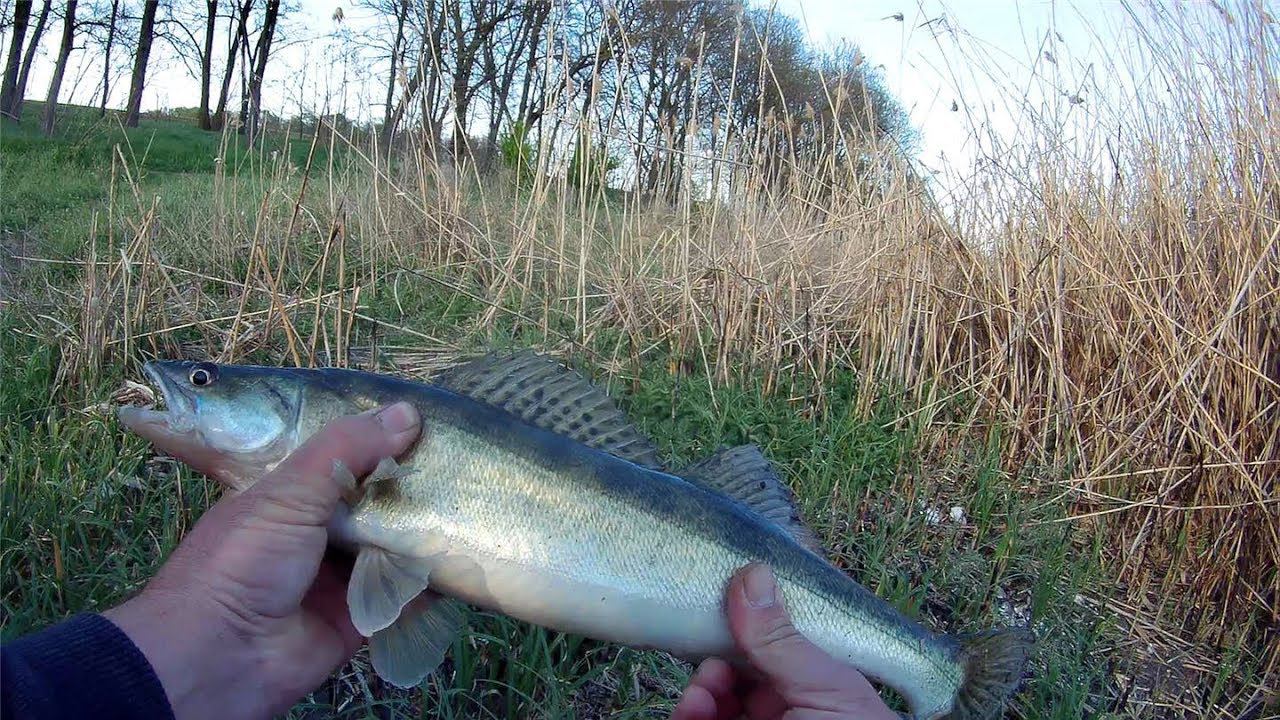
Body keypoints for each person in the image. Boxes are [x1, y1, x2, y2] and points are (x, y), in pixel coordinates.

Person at [1, 403, 896, 720]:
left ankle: (934, 671)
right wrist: (207, 638)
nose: (187, 388)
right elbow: (388, 619)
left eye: (204, 382)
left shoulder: (374, 444)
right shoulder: (345, 511)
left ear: (323, 419)